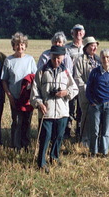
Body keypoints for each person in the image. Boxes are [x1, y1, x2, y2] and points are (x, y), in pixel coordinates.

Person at [30, 45, 79, 173]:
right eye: (54, 57)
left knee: (59, 136)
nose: (56, 60)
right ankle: (41, 162)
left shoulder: (66, 72)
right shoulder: (41, 71)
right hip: (47, 111)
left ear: (63, 57)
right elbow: (34, 93)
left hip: (62, 111)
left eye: (59, 58)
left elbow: (75, 89)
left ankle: (54, 157)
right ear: (50, 55)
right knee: (45, 137)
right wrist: (39, 104)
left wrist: (65, 92)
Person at [1, 32, 37, 151]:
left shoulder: (30, 59)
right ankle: (16, 145)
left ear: (25, 46)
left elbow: (34, 78)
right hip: (15, 96)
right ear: (13, 46)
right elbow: (4, 80)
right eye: (17, 44)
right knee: (16, 121)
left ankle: (25, 143)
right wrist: (9, 95)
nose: (19, 47)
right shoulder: (9, 60)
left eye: (22, 44)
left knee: (27, 121)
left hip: (27, 98)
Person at [86, 49, 109, 157]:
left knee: (106, 131)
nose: (105, 59)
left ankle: (104, 152)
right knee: (95, 130)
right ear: (100, 59)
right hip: (96, 105)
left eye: (107, 57)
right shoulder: (95, 72)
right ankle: (93, 151)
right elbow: (88, 89)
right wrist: (92, 102)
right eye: (103, 57)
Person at [73, 36, 100, 146]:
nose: (94, 48)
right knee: (86, 115)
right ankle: (84, 139)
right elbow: (77, 76)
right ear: (86, 47)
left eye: (95, 46)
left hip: (98, 93)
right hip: (85, 92)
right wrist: (85, 87)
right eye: (91, 46)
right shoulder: (80, 60)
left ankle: (96, 139)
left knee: (97, 115)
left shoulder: (99, 59)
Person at [65, 24, 85, 139]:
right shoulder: (67, 48)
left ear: (83, 34)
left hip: (82, 82)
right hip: (70, 82)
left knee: (81, 108)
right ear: (72, 33)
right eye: (76, 31)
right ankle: (67, 131)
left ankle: (79, 130)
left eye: (80, 31)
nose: (78, 33)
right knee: (69, 107)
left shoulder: (86, 48)